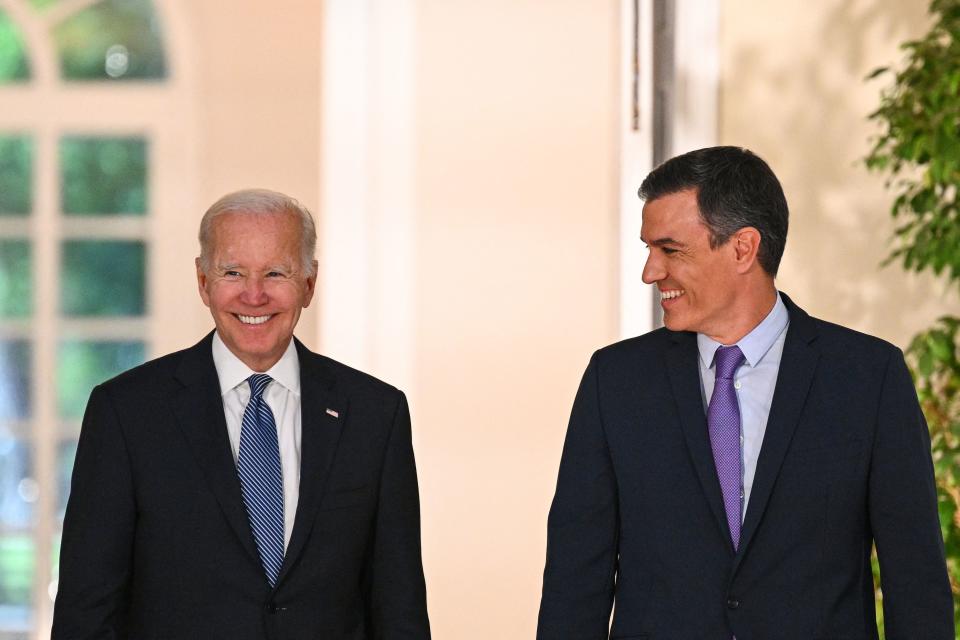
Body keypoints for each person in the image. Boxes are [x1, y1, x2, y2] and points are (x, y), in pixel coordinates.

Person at [536, 146, 953, 639]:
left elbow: (917, 586)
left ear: (742, 248)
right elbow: (573, 589)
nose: (651, 272)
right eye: (649, 250)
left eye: (670, 250)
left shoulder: (868, 378)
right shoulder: (616, 382)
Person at [52, 189, 431, 639]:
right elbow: (86, 613)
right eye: (233, 272)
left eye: (276, 272)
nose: (254, 295)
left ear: (309, 283)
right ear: (202, 281)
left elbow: (399, 609)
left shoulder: (375, 415)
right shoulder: (127, 415)